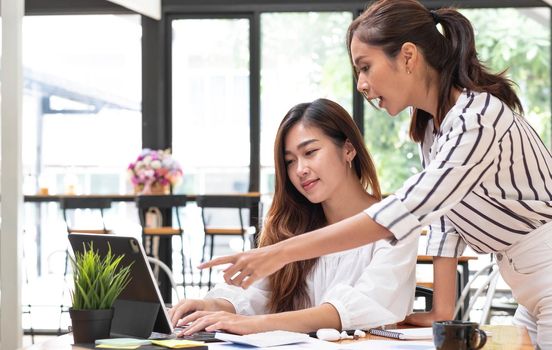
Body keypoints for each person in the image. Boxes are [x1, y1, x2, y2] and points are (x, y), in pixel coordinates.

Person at [201, 0, 552, 347]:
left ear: (408, 57)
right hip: (528, 286)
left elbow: (407, 211)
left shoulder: (475, 120)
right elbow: (444, 218)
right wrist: (441, 311)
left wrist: (280, 253)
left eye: (365, 67)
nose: (361, 85)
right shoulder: (433, 129)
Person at [168, 98, 419, 335]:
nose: (300, 170)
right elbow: (254, 293)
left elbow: (358, 309)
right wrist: (209, 306)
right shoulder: (293, 228)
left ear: (349, 149)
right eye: (290, 161)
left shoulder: (395, 224)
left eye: (310, 152)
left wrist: (255, 324)